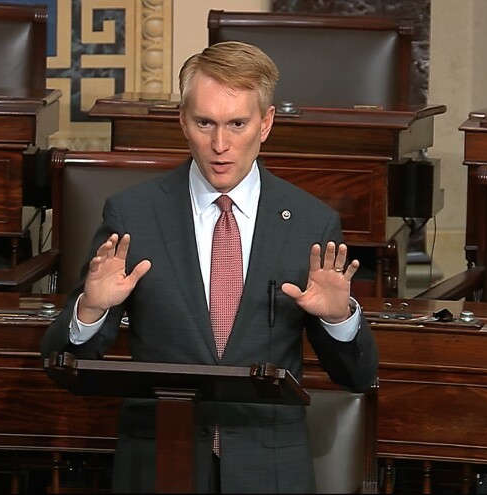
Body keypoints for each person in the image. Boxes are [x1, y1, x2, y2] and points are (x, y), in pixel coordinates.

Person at [41, 40, 378, 493]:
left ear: (266, 123)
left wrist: (340, 320)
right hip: (161, 461)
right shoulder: (133, 216)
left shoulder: (310, 223)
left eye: (238, 123)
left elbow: (356, 376)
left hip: (269, 469)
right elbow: (64, 366)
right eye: (205, 123)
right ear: (183, 121)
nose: (221, 145)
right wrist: (91, 311)